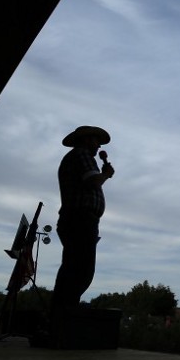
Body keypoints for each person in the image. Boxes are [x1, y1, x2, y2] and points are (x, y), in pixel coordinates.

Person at [48, 125, 115, 346]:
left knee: (74, 269)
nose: (99, 147)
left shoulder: (77, 156)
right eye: (97, 141)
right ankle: (62, 321)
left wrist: (103, 175)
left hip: (80, 220)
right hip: (80, 219)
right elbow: (91, 180)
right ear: (87, 140)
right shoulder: (82, 154)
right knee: (80, 270)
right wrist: (105, 175)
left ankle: (60, 321)